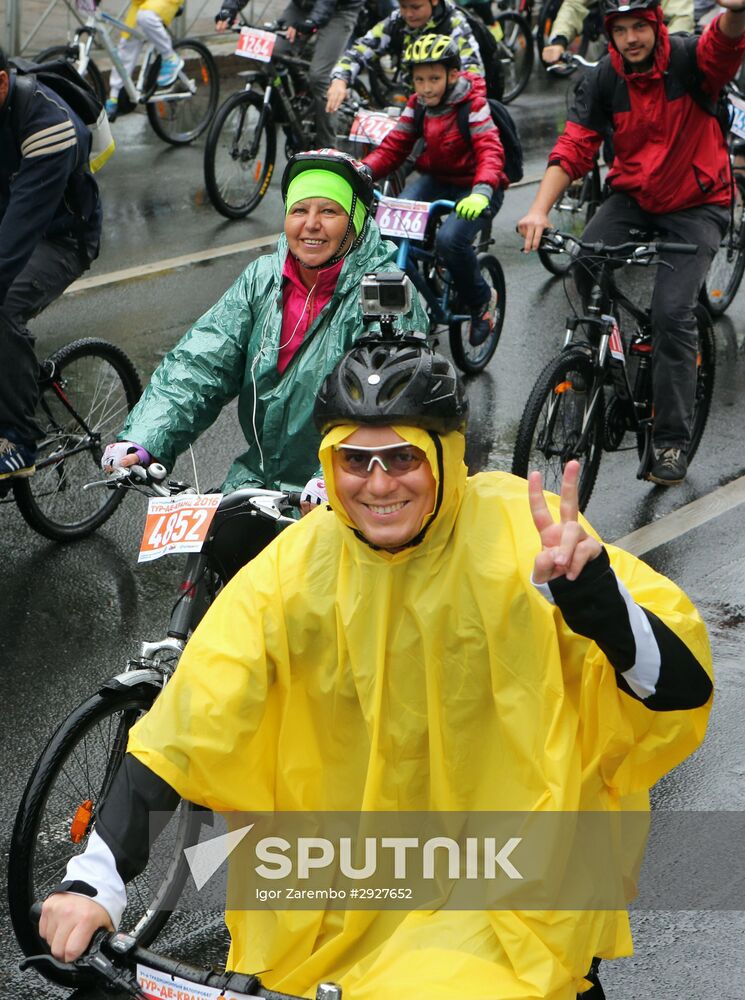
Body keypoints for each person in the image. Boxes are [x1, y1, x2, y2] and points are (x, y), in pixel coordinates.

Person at [40, 335, 713, 999]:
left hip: (506, 900)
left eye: (402, 457)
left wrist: (601, 608)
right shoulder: (294, 568)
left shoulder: (524, 539)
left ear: (447, 457)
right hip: (336, 903)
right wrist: (95, 880)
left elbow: (679, 693)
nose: (379, 483)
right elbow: (189, 723)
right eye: (355, 461)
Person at [100, 149, 427, 575]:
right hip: (255, 486)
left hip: (345, 499)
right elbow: (200, 364)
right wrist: (144, 438)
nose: (311, 224)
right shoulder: (261, 279)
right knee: (217, 590)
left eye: (329, 210)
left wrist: (346, 475)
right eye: (299, 209)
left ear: (357, 220)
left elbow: (389, 406)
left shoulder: (383, 295)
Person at [518, 0, 745, 487]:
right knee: (585, 265)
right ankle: (603, 358)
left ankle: (669, 440)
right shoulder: (605, 77)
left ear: (656, 25)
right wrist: (538, 209)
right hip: (635, 196)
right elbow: (576, 144)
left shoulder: (688, 60)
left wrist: (737, 13)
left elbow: (724, 47)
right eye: (620, 29)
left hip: (697, 201)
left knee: (670, 312)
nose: (631, 38)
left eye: (639, 26)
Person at [361, 34, 507, 346]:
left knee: (450, 240)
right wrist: (361, 171)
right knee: (386, 230)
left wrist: (481, 192)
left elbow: (490, 153)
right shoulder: (418, 105)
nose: (426, 88)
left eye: (434, 79)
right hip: (438, 178)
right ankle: (415, 301)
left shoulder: (474, 106)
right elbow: (394, 148)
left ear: (453, 75)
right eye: (419, 80)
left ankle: (482, 300)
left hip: (479, 186)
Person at [0, 46, 102, 481]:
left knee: (3, 305)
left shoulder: (48, 126)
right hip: (11, 218)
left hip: (60, 237)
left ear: (2, 83)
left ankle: (18, 439)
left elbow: (17, 237)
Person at [216, 0, 363, 148]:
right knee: (272, 53)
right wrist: (229, 9)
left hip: (339, 9)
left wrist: (312, 21)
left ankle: (328, 149)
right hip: (302, 6)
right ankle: (292, 107)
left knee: (319, 77)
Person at [326, 0, 484, 114]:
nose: (408, 14)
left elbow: (473, 73)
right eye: (403, 6)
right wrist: (340, 79)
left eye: (416, 7)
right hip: (413, 107)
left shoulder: (454, 23)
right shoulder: (397, 21)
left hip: (450, 110)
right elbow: (361, 49)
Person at [542, 0, 694, 65]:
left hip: (660, 54)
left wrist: (671, 52)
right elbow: (574, 5)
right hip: (616, 55)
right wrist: (559, 41)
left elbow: (681, 16)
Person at [105, 0, 185, 119]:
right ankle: (114, 96)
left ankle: (170, 58)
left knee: (146, 17)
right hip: (140, 3)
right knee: (127, 42)